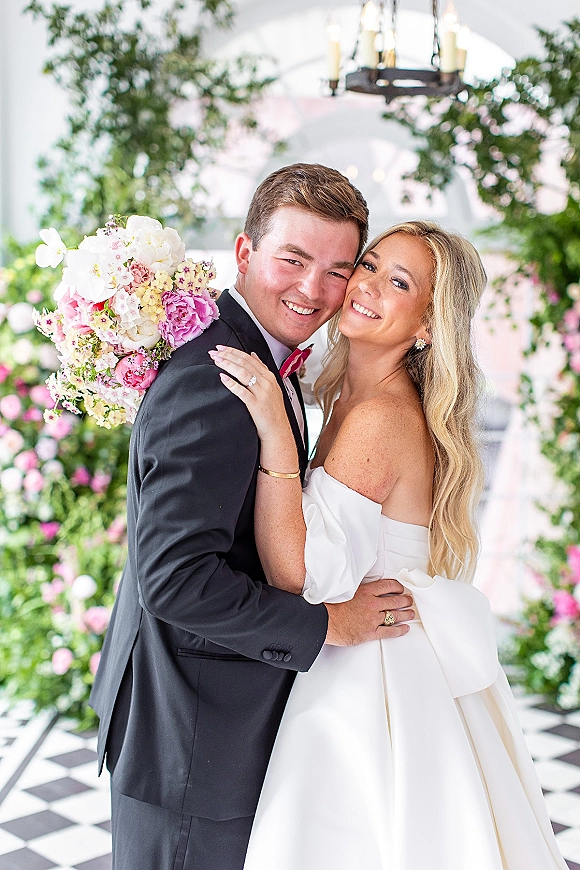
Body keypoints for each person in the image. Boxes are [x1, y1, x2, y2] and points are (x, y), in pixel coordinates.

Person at [89, 163, 417, 870]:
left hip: (208, 725)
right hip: (192, 740)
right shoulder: (218, 382)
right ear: (244, 254)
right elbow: (174, 582)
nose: (313, 290)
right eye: (292, 260)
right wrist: (329, 622)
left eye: (337, 270)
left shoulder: (264, 365)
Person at [212, 220, 568, 870]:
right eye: (369, 265)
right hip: (370, 648)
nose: (366, 286)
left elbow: (303, 578)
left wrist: (274, 435)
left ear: (427, 325)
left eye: (397, 281)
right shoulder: (353, 395)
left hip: (369, 677)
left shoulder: (379, 417)